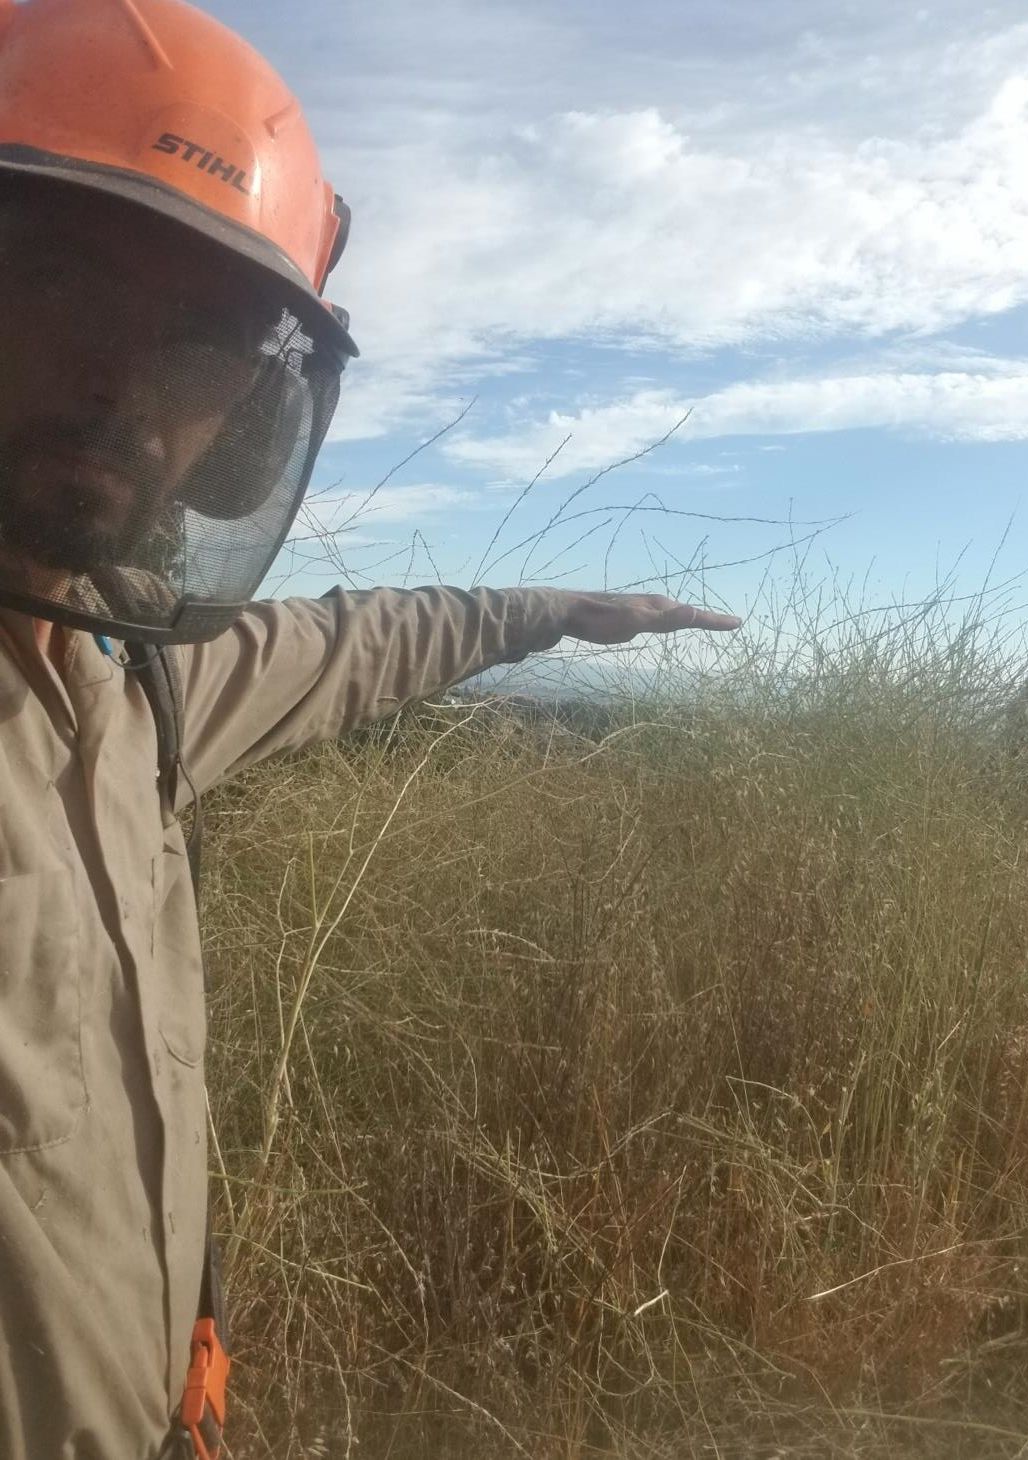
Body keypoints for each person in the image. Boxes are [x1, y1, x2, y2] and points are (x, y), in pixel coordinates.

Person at [0, 1, 742, 1455]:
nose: (118, 390)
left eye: (194, 348)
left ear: (251, 425)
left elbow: (349, 645)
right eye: (55, 288)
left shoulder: (138, 671)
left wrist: (553, 609)